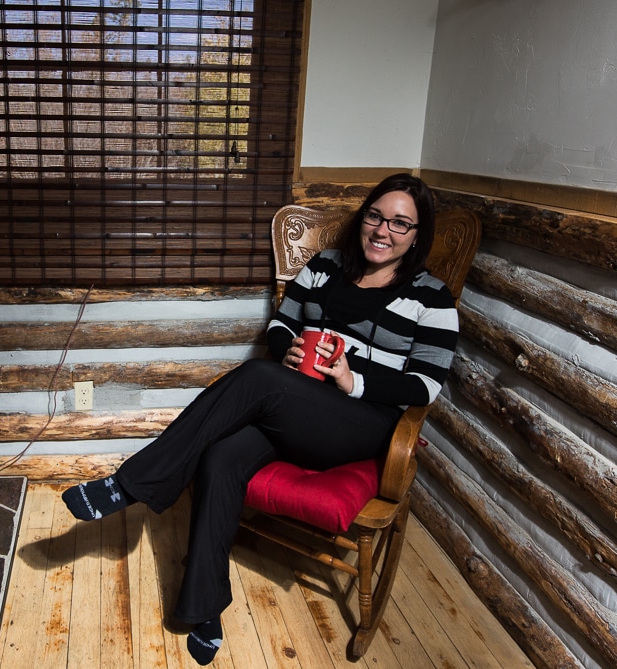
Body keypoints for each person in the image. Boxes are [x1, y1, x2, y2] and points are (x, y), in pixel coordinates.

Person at [61, 173, 459, 665]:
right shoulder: (325, 266)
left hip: (357, 426)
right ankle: (205, 605)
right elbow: (281, 323)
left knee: (255, 378)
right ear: (364, 218)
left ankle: (130, 485)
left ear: (416, 234)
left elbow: (426, 385)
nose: (384, 230)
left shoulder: (432, 298)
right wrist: (286, 350)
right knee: (223, 455)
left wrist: (351, 380)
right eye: (376, 216)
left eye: (401, 223)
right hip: (293, 407)